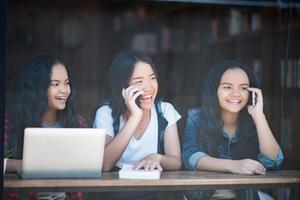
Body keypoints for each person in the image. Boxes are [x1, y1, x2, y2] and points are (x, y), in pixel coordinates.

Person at [182, 60, 284, 200]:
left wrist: (259, 115)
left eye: (243, 88)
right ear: (214, 90)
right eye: (227, 87)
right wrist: (234, 165)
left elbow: (273, 162)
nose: (236, 93)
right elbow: (190, 156)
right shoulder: (196, 116)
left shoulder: (253, 119)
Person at [93, 50, 182, 199]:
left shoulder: (165, 111)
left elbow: (176, 162)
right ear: (123, 87)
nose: (149, 87)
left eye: (152, 78)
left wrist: (157, 158)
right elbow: (105, 164)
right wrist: (135, 116)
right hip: (114, 195)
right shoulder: (106, 113)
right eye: (139, 81)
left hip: (153, 193)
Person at [4, 54, 88, 200]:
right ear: (36, 88)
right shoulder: (11, 121)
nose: (64, 90)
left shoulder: (76, 122)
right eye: (55, 84)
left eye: (66, 83)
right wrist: (21, 165)